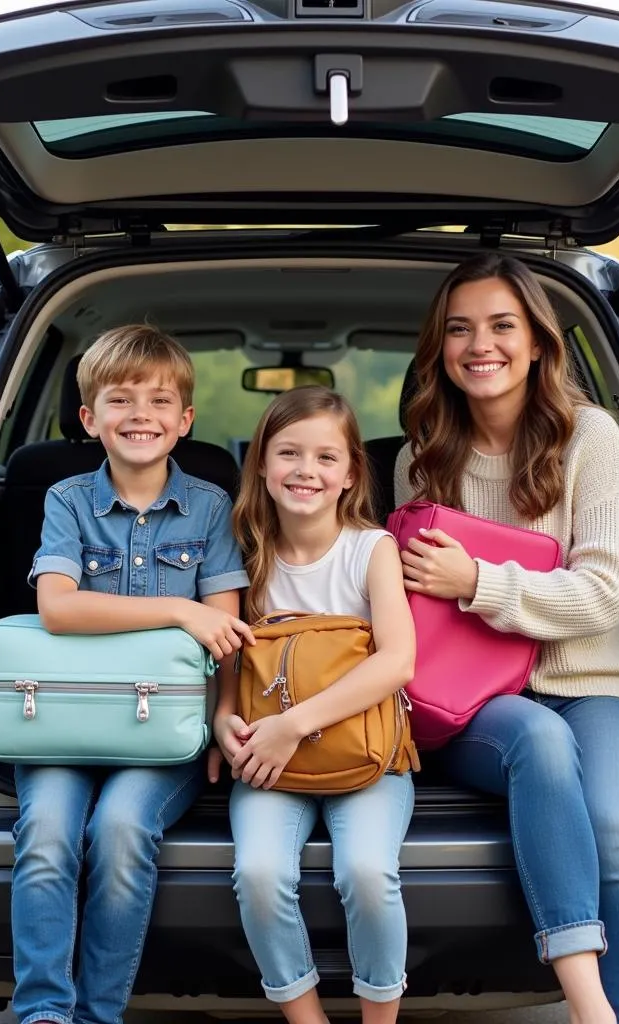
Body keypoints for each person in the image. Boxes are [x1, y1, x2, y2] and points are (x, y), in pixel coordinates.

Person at [393, 254, 619, 1024]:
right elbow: (407, 605)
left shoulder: (591, 438)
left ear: (539, 341)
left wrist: (476, 583)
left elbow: (605, 596)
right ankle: (589, 1005)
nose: (482, 344)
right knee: (538, 741)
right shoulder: (422, 458)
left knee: (616, 831)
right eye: (460, 329)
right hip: (473, 701)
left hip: (592, 685)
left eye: (503, 325)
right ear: (440, 349)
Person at [13, 324, 253, 1024]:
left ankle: (97, 1016)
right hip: (61, 723)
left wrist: (220, 720)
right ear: (89, 419)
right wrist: (178, 611)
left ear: (185, 422)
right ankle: (44, 1015)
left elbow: (228, 636)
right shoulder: (66, 500)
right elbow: (56, 608)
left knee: (120, 830)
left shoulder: (212, 508)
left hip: (163, 731)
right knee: (49, 836)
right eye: (120, 400)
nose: (139, 415)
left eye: (158, 401)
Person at [220, 385, 417, 1024]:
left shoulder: (371, 549)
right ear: (261, 466)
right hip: (272, 766)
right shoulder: (245, 554)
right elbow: (234, 661)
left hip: (367, 758)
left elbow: (397, 662)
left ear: (351, 473)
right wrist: (224, 718)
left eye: (326, 458)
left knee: (365, 872)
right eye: (289, 453)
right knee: (256, 874)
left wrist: (293, 724)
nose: (306, 470)